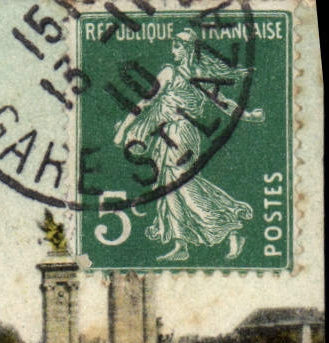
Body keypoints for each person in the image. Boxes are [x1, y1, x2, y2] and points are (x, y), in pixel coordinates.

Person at [112, 29, 265, 262]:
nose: (173, 51)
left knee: (182, 184)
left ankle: (230, 226)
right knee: (169, 186)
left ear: (187, 50)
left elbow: (145, 102)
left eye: (176, 47)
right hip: (169, 134)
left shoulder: (172, 73)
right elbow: (223, 103)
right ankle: (181, 244)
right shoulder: (194, 75)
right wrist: (249, 115)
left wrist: (124, 129)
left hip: (180, 133)